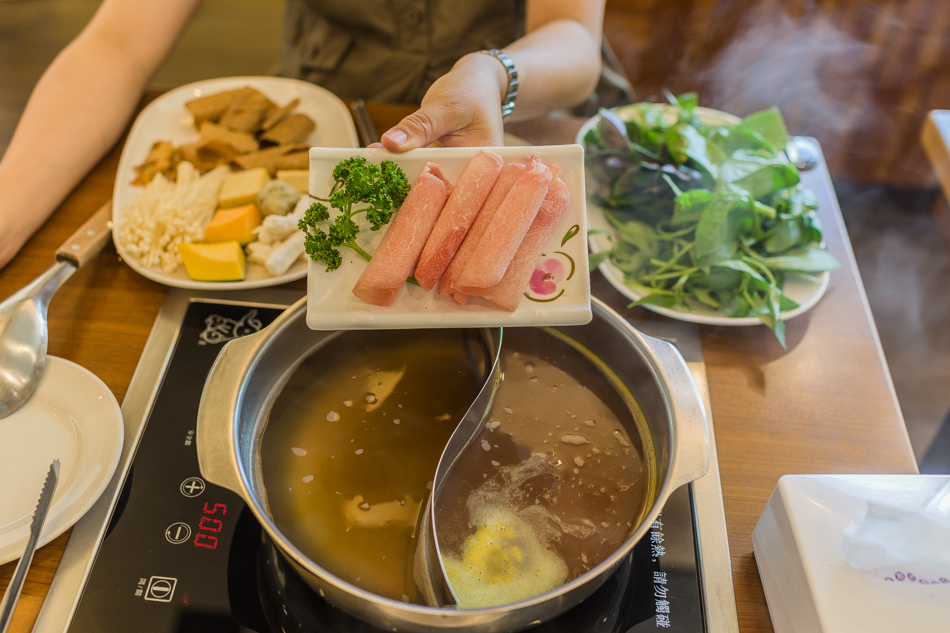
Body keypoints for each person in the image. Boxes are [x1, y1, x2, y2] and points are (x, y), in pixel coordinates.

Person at [0, 0, 605, 269]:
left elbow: (574, 38)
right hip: (336, 89)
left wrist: (492, 73)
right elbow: (118, 43)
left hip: (520, 103)